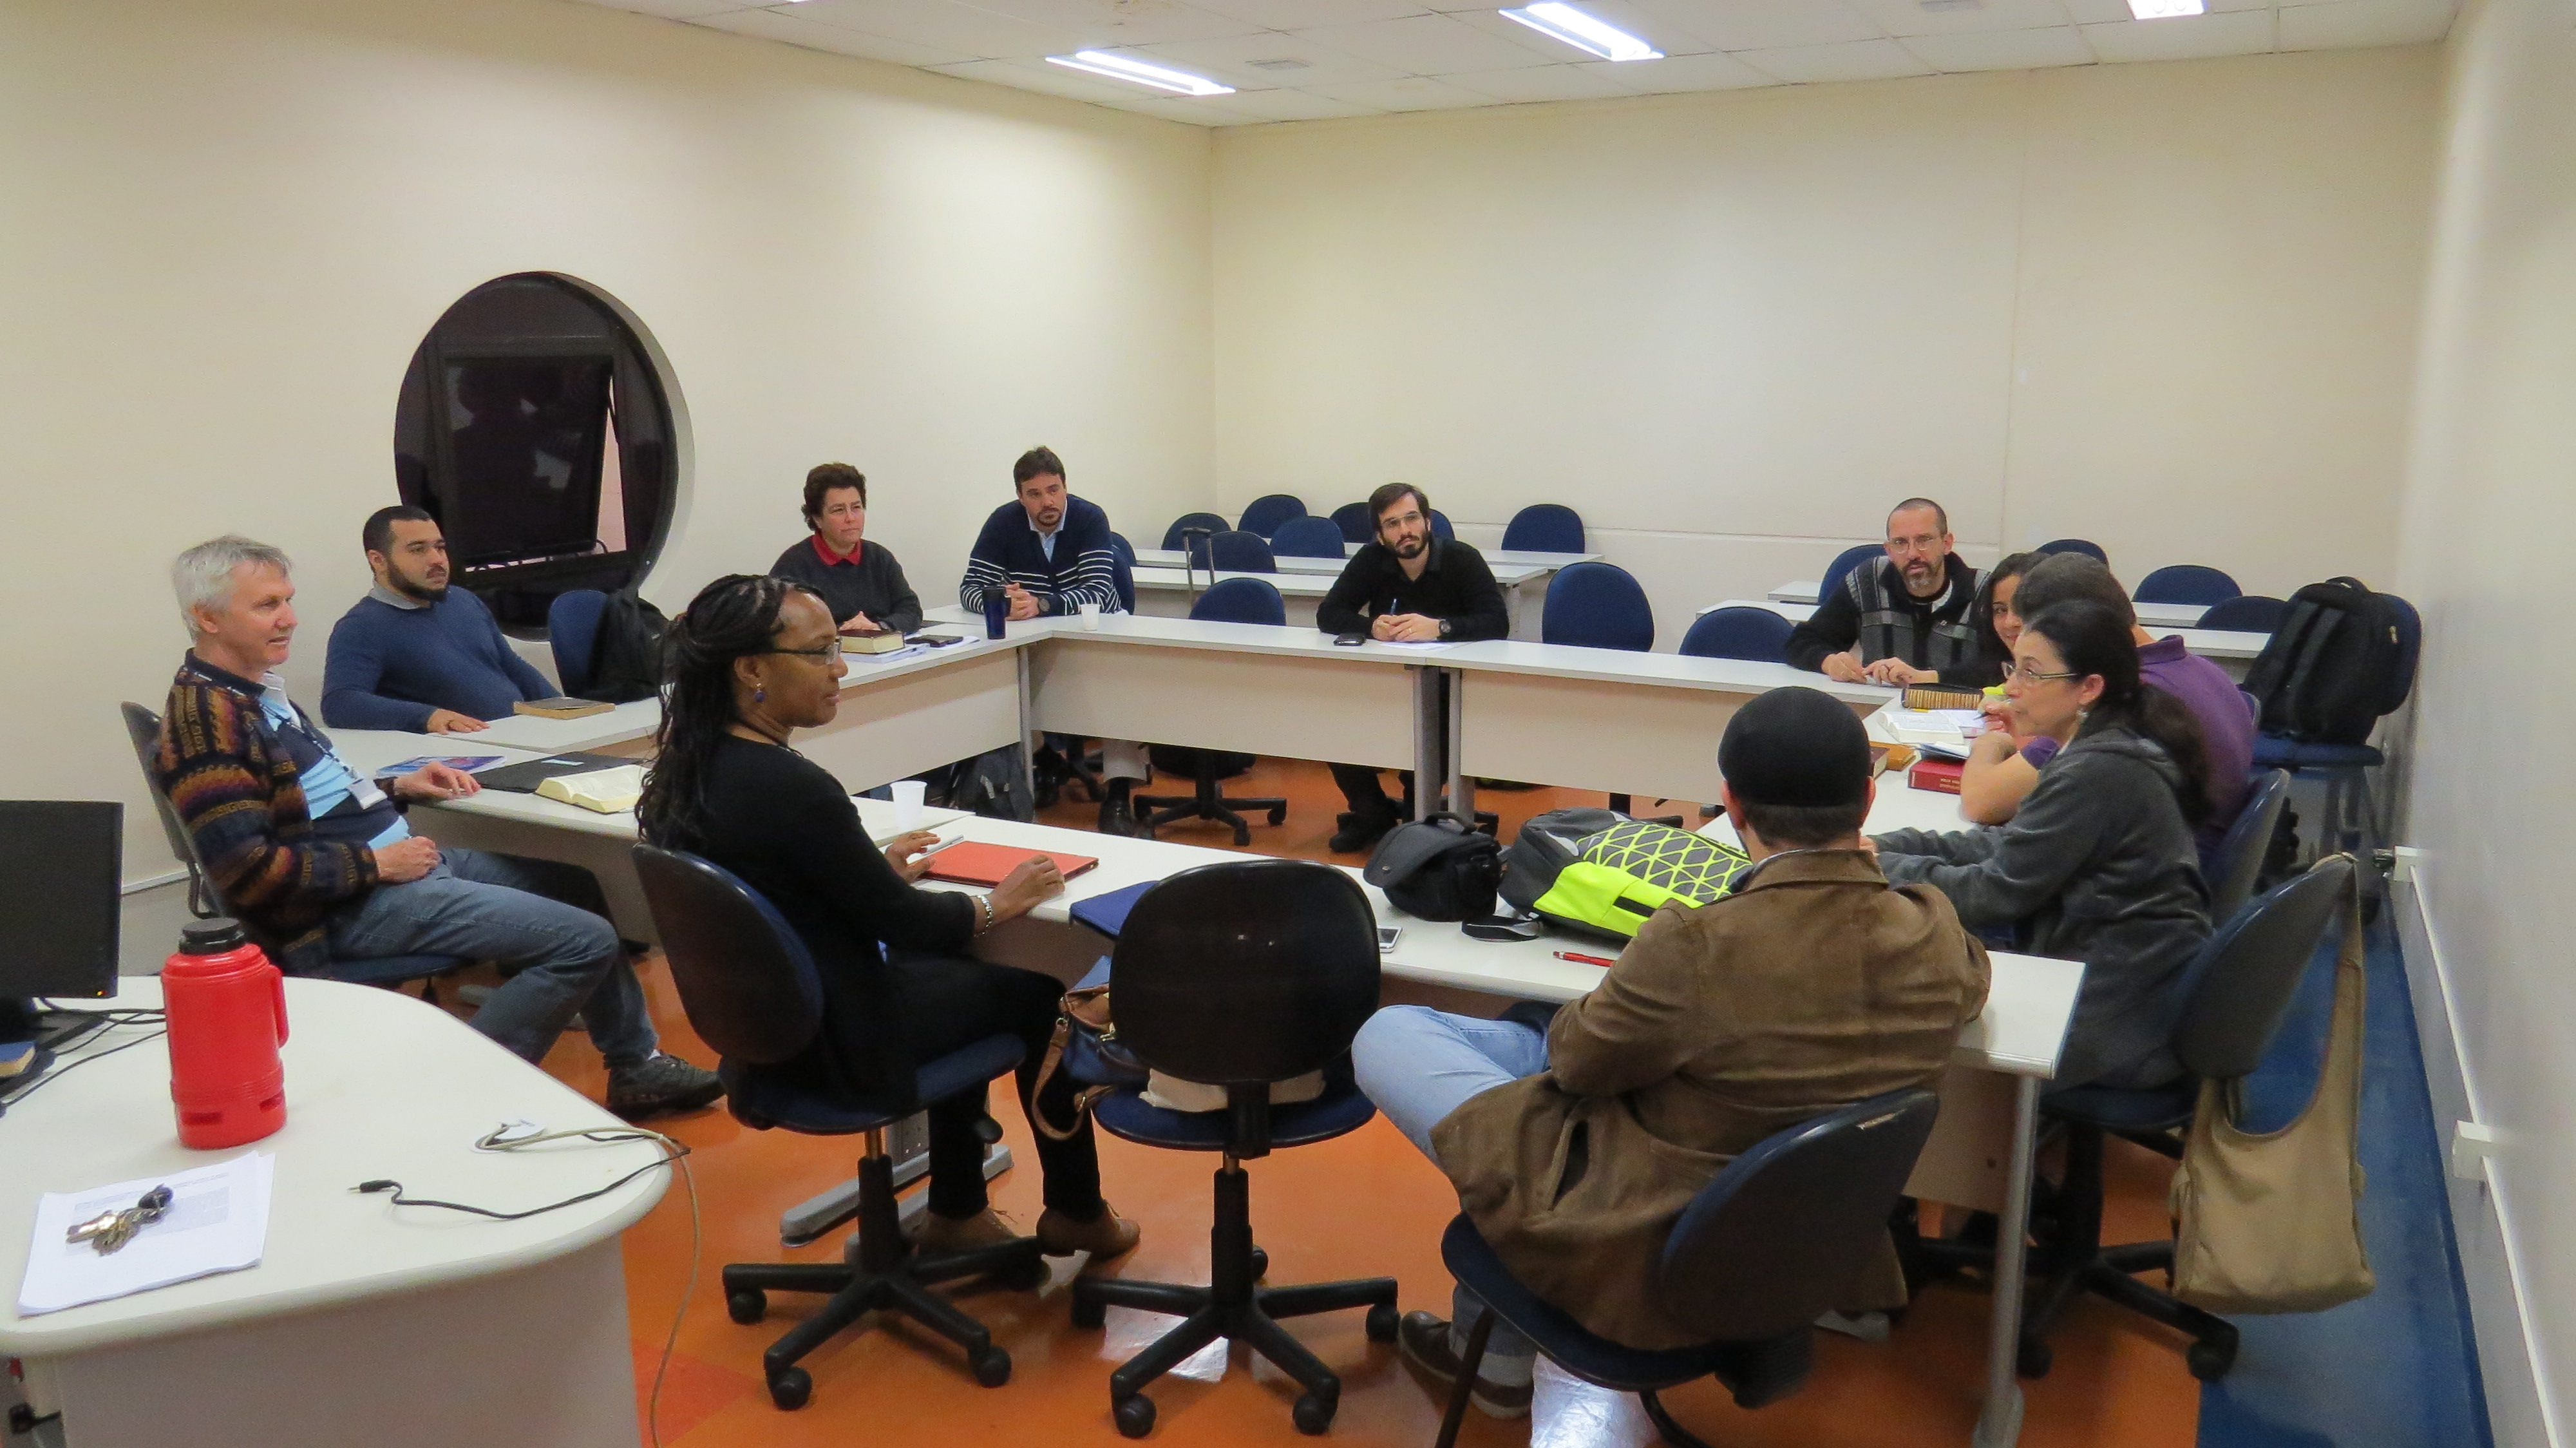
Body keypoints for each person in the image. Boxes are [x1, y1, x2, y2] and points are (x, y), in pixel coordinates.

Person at [1350, 688, 1989, 1416]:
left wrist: (1601, 1009)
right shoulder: (1934, 930)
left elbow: (1576, 1062)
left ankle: (1492, 1359)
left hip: (1642, 1248)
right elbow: (1970, 982)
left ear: (1731, 805)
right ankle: (1492, 1349)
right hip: (1801, 1252)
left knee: (1396, 1034)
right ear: (1868, 802)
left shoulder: (1699, 942)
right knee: (1546, 1066)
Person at [637, 573, 1140, 1259]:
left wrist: (866, 871)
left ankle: (959, 1211)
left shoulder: (686, 768)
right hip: (849, 1041)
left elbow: (777, 887)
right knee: (1040, 996)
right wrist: (997, 901)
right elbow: (910, 924)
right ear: (751, 669)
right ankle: (1076, 1211)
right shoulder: (793, 786)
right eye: (819, 652)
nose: (840, 668)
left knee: (956, 972)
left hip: (773, 1036)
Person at [155, 535, 721, 1118]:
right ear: (207, 617)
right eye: (267, 605)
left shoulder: (255, 692)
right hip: (343, 907)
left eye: (287, 600)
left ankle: (637, 1066)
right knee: (585, 941)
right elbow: (248, 873)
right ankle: (454, 1097)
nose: (289, 619)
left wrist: (396, 787)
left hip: (393, 866)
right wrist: (377, 864)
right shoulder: (209, 724)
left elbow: (312, 800)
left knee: (579, 885)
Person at [1874, 599, 2213, 1091]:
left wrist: (1875, 866)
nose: (2011, 687)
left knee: (1894, 1017)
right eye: (2014, 668)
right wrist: (1884, 846)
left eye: (2031, 673)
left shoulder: (2096, 771)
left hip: (2118, 1010)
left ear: (2088, 688)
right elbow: (2004, 845)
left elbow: (1993, 893)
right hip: (2126, 975)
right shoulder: (2099, 746)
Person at [1955, 555, 2255, 851]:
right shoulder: (2206, 670)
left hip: (2145, 874)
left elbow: (1982, 802)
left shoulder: (2120, 698)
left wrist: (1992, 742)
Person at [959, 446, 1150, 831]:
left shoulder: (1089, 517)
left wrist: (1042, 605)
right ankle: (1045, 759)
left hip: (1100, 631)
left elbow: (1098, 591)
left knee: (1121, 693)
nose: (1047, 502)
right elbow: (969, 589)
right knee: (1004, 682)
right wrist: (1002, 603)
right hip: (1037, 636)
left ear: (1065, 487)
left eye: (1054, 490)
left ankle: (1118, 793)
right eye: (1035, 494)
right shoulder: (1003, 522)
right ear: (1020, 497)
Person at [1314, 483, 1511, 853]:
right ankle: (1371, 814)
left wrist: (1440, 628)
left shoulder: (1462, 559)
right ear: (1380, 535)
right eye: (1392, 524)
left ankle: (1416, 817)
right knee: (1334, 725)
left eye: (1412, 519)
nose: (1405, 530)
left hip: (1450, 689)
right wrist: (1370, 627)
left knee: (1430, 742)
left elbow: (1497, 622)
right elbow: (1329, 613)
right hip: (1388, 683)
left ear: (1428, 522)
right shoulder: (1371, 560)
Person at [319, 506, 554, 734]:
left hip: (520, 731)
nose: (437, 560)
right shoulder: (362, 626)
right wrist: (428, 717)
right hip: (464, 749)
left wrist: (562, 707)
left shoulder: (463, 600)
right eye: (418, 550)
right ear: (378, 560)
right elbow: (340, 703)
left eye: (440, 548)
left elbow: (511, 665)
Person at [1786, 498, 1991, 686]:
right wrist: (1829, 662)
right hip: (1880, 706)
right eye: (1900, 543)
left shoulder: (1985, 591)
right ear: (1889, 550)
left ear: (1946, 544)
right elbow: (1802, 641)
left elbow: (2002, 666)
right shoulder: (1867, 581)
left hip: (1959, 710)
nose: (1912, 553)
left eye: (1924, 540)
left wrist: (1927, 678)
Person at [767, 462, 923, 634]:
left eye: (856, 508)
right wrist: (845, 633)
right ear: (817, 519)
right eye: (838, 510)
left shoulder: (880, 558)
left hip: (882, 646)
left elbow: (911, 610)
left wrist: (878, 628)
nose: (850, 518)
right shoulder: (793, 566)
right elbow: (779, 627)